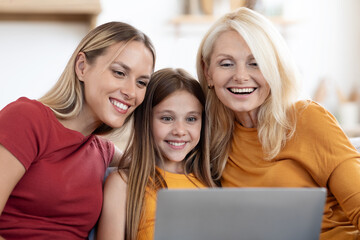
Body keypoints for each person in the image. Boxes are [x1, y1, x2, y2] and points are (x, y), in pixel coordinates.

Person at [196, 7, 360, 240]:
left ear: (275, 69)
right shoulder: (209, 136)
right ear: (208, 72)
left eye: (256, 63)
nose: (241, 76)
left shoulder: (308, 119)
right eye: (226, 63)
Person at [0, 21, 155, 240]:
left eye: (141, 83)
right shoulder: (26, 119)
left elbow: (155, 165)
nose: (131, 92)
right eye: (119, 72)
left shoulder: (101, 151)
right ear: (82, 67)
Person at [96, 68, 216, 240]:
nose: (180, 131)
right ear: (145, 121)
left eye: (191, 119)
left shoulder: (211, 181)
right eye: (167, 118)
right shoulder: (124, 183)